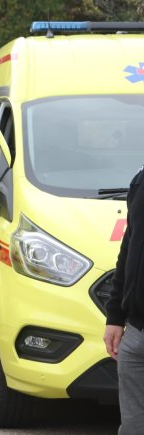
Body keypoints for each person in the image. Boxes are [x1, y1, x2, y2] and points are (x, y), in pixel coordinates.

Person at [104, 166, 144, 435]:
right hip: (136, 334)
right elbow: (128, 248)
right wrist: (115, 316)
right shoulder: (141, 180)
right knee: (133, 428)